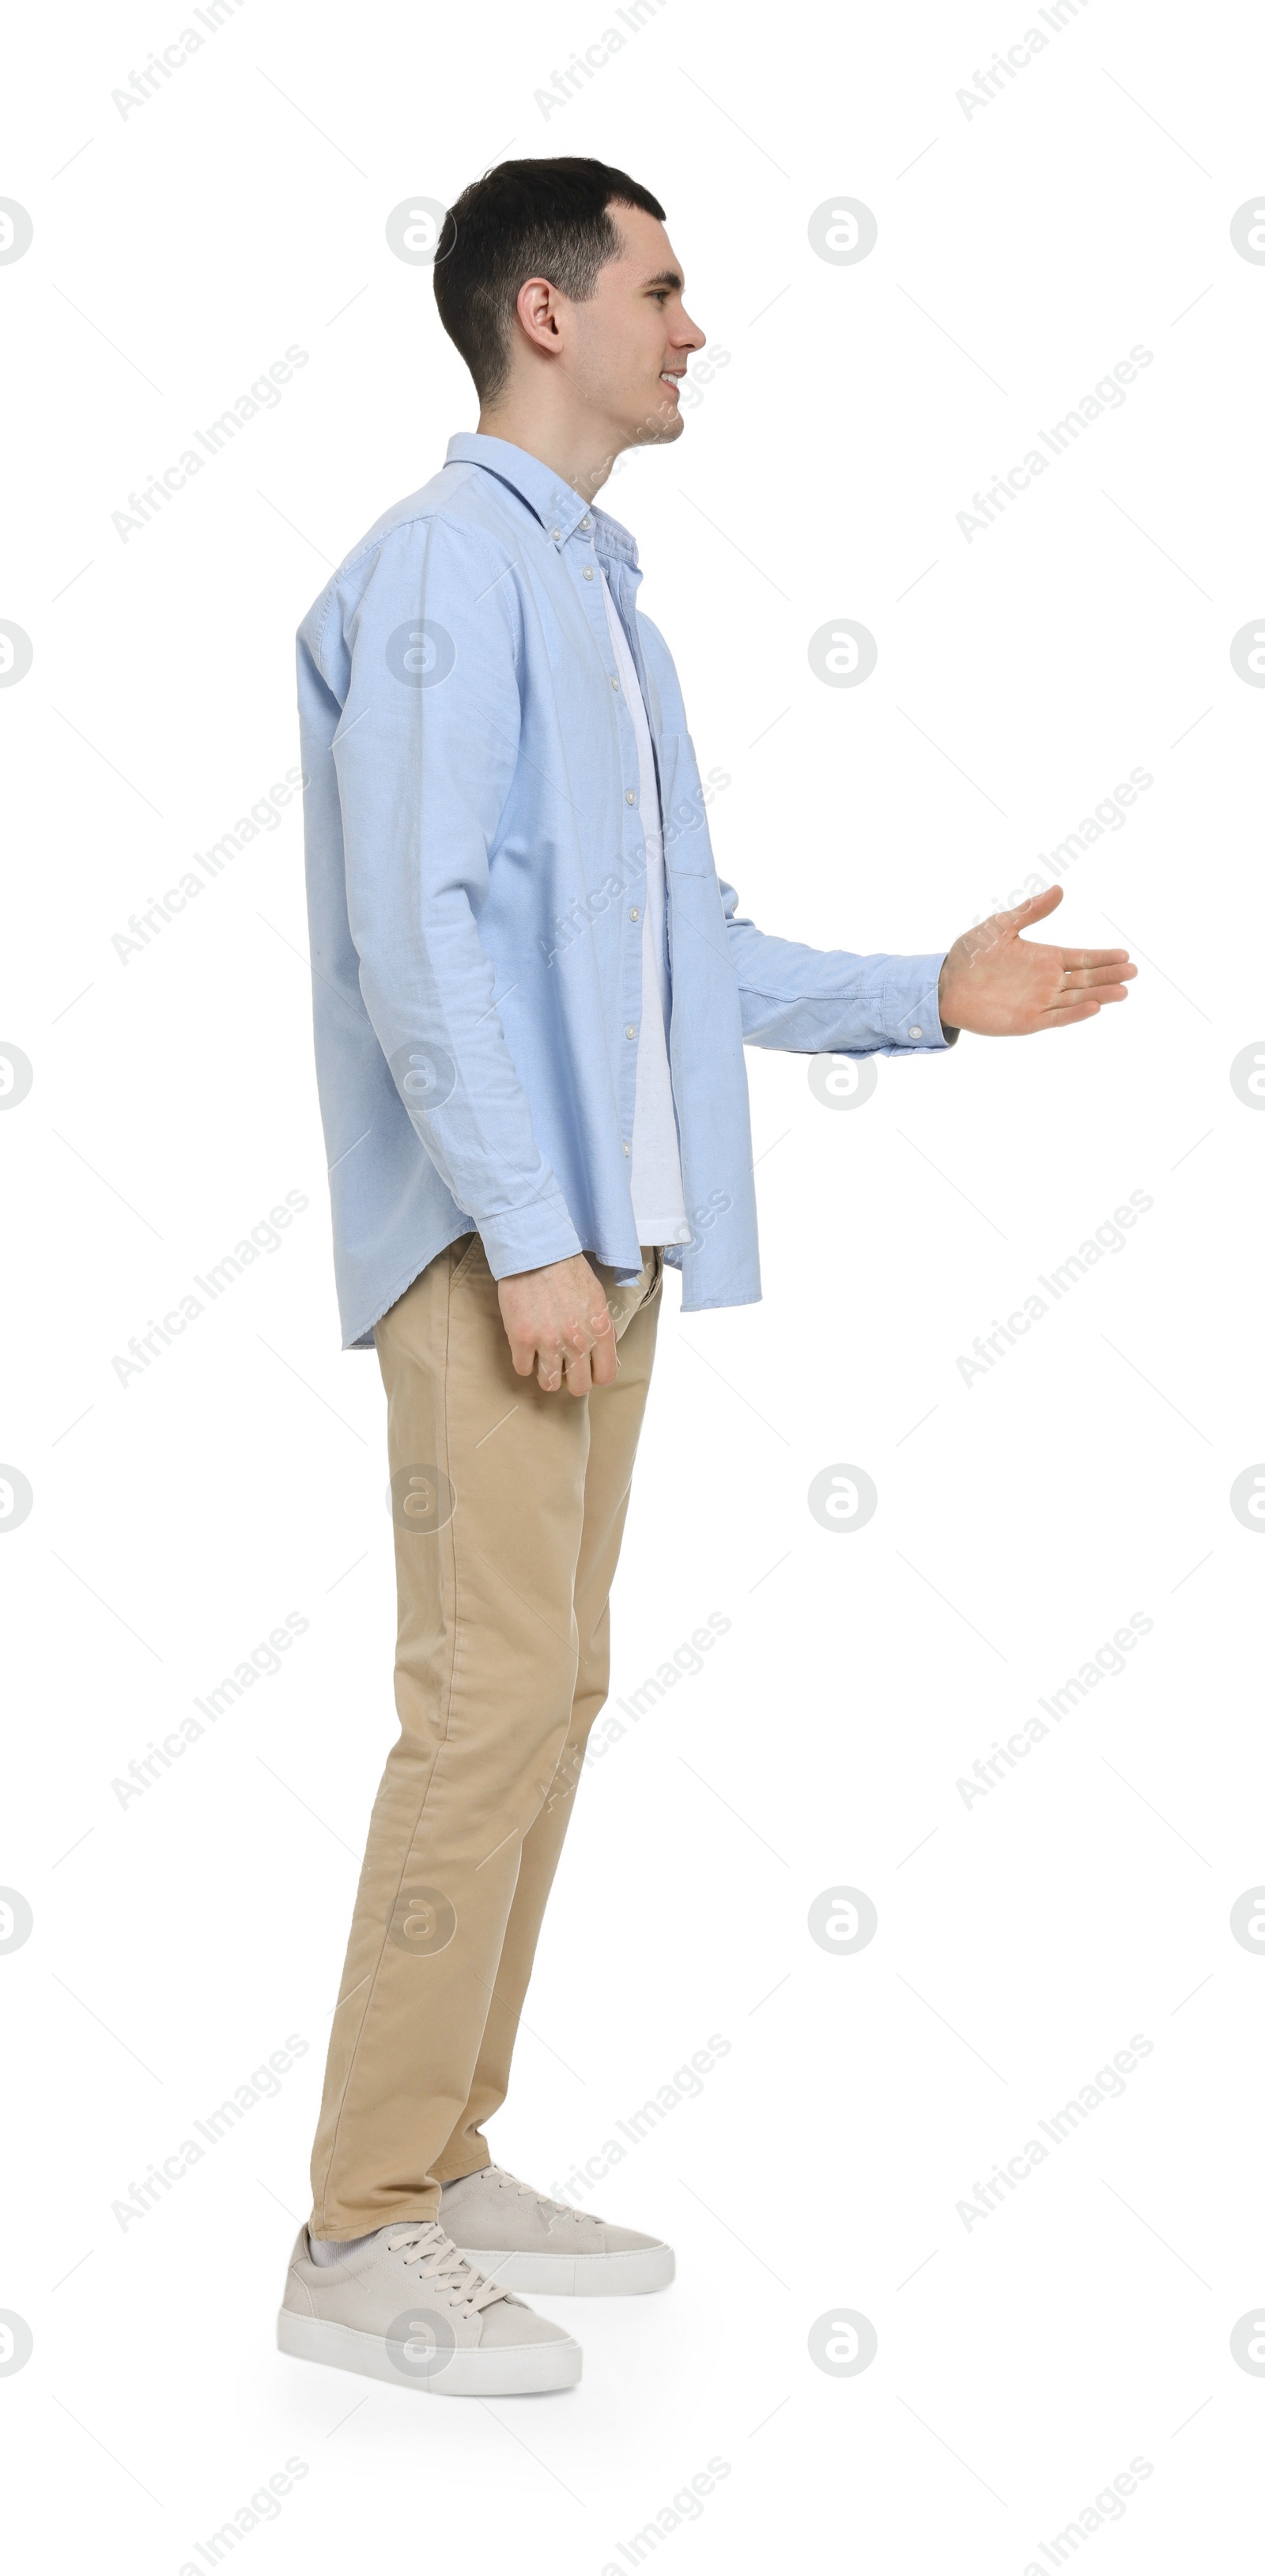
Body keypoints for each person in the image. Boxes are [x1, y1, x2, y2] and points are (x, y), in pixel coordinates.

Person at [278, 156, 1136, 2399]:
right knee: (483, 1710)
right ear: (542, 313)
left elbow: (688, 952)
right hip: (508, 1255)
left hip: (593, 1257)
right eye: (662, 286)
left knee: (543, 1704)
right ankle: (356, 2224)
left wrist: (930, 994)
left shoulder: (609, 609)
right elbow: (417, 935)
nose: (694, 323)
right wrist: (534, 1230)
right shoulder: (452, 576)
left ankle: (440, 2160)